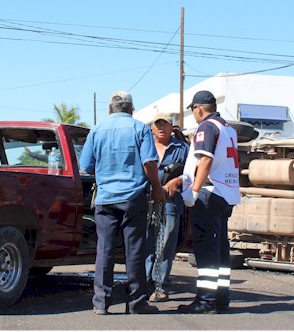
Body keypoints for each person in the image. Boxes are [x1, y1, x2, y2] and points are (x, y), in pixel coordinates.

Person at [79, 91, 165, 315]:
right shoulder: (140, 129)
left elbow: (86, 166)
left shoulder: (96, 130)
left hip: (105, 199)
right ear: (131, 109)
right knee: (134, 250)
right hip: (133, 197)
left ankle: (101, 303)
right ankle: (136, 303)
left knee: (104, 250)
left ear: (109, 110)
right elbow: (149, 163)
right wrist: (157, 188)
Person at [164, 90, 241, 314]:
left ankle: (206, 301)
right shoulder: (228, 129)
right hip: (226, 194)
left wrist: (194, 191)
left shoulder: (207, 127)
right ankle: (221, 299)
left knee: (206, 250)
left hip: (209, 193)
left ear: (198, 108)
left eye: (193, 110)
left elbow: (205, 159)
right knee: (220, 250)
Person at [144, 113, 189, 303]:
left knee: (166, 243)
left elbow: (193, 173)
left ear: (172, 128)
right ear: (152, 128)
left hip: (171, 201)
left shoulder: (183, 148)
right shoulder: (145, 146)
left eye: (165, 124)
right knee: (146, 241)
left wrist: (177, 181)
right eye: (158, 124)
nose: (161, 127)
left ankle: (160, 285)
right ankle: (144, 284)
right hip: (146, 200)